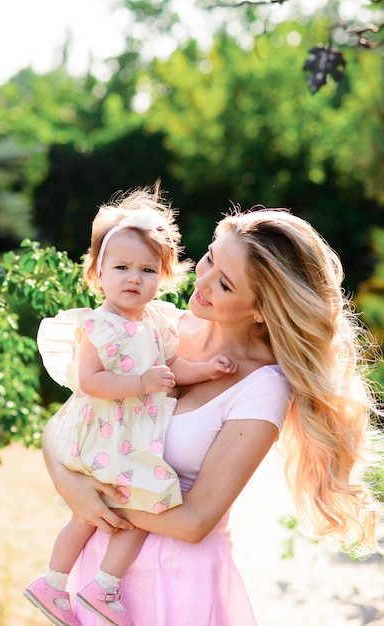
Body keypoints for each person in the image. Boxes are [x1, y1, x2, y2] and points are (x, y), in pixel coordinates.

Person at [42, 205, 382, 626]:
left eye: (223, 283)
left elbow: (195, 521)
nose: (200, 281)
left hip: (178, 582)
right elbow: (68, 420)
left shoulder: (263, 387)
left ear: (261, 308)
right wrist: (66, 481)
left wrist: (96, 499)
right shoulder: (158, 325)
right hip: (97, 568)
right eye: (209, 258)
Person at [24, 187, 238, 626]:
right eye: (121, 267)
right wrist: (141, 382)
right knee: (110, 509)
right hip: (103, 430)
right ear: (97, 273)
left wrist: (206, 369)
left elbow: (172, 366)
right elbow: (91, 381)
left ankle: (95, 585)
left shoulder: (157, 320)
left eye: (146, 269)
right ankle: (59, 580)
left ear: (163, 276)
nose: (133, 278)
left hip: (131, 435)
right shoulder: (97, 327)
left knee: (129, 509)